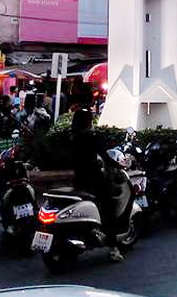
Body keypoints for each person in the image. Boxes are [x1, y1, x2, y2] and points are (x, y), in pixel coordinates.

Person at [70, 109, 125, 262]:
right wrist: (119, 165)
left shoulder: (73, 137)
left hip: (79, 181)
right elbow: (106, 157)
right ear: (88, 122)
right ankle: (113, 247)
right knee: (109, 207)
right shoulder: (91, 138)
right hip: (93, 180)